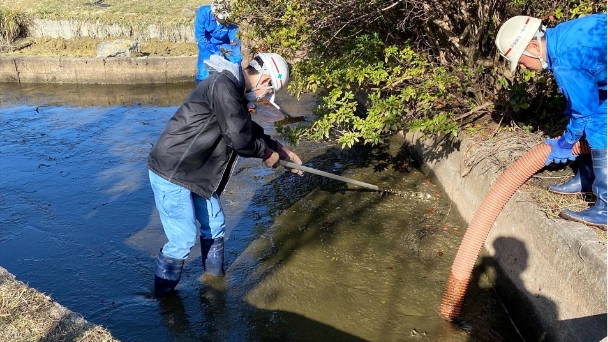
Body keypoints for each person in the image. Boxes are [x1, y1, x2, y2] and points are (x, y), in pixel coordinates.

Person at [147, 52, 304, 297]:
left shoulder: (233, 89)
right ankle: (163, 298)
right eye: (269, 91)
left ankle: (213, 285)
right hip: (173, 170)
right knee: (183, 239)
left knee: (215, 224)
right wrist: (267, 154)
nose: (265, 97)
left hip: (197, 171)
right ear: (264, 81)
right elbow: (240, 139)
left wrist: (279, 150)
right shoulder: (224, 86)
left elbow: (246, 128)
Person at [495, 13, 607, 228]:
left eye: (521, 61)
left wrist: (566, 143)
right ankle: (588, 178)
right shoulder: (561, 36)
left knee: (596, 125)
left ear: (535, 47)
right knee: (598, 122)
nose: (523, 67)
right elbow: (583, 93)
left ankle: (606, 208)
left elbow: (584, 111)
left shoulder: (566, 59)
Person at [194, 0, 242, 85]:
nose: (224, 20)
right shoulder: (203, 12)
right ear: (214, 14)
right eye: (221, 18)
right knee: (204, 70)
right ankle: (201, 86)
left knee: (232, 66)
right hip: (206, 44)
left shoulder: (231, 20)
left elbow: (235, 42)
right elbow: (200, 36)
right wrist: (211, 48)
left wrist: (237, 60)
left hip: (225, 44)